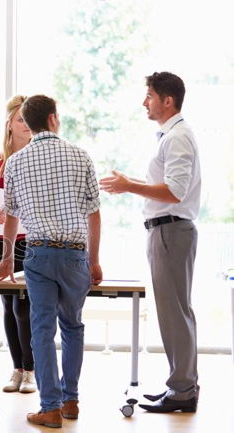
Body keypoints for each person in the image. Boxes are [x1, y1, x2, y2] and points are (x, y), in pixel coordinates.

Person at [0, 95, 102, 429]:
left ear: (30, 121)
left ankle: (49, 406)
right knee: (72, 326)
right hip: (74, 253)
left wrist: (8, 257)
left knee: (42, 329)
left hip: (38, 252)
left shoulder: (14, 162)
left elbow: (10, 217)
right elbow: (94, 215)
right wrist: (94, 260)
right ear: (53, 119)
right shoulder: (81, 156)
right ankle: (71, 401)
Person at [99, 72, 200, 414]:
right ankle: (181, 386)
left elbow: (175, 191)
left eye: (150, 96)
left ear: (167, 100)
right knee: (174, 312)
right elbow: (167, 185)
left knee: (175, 313)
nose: (145, 102)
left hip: (171, 230)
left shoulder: (177, 137)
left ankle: (183, 391)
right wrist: (129, 183)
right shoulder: (170, 137)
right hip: (166, 231)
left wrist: (130, 186)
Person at [0, 95, 36, 394]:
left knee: (25, 306)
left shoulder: (38, 155)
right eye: (20, 120)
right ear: (9, 124)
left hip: (29, 238)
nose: (26, 126)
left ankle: (31, 370)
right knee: (7, 304)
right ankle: (16, 368)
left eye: (29, 120)